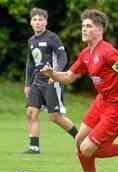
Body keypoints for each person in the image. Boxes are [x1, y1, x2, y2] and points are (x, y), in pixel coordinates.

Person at [40, 9, 118, 172]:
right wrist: (51, 73)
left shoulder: (108, 52)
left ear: (100, 30)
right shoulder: (86, 54)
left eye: (89, 26)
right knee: (79, 140)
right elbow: (68, 77)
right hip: (102, 102)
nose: (84, 29)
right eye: (83, 26)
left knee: (87, 149)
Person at [24, 8, 78, 154]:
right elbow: (30, 63)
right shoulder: (31, 41)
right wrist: (28, 84)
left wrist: (55, 74)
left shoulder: (52, 37)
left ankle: (80, 139)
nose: (37, 22)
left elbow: (62, 56)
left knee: (55, 117)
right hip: (37, 82)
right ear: (31, 22)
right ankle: (34, 147)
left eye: (40, 19)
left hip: (51, 81)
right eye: (34, 19)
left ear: (45, 22)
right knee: (31, 112)